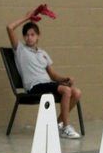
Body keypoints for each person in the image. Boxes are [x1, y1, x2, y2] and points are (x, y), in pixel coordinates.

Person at [6, 8, 82, 138]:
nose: (29, 38)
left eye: (32, 35)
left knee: (77, 92)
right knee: (66, 91)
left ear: (38, 36)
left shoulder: (43, 53)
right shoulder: (20, 49)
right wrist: (27, 17)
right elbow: (9, 27)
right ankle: (65, 127)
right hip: (34, 87)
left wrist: (65, 79)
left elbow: (53, 76)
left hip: (47, 83)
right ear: (23, 37)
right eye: (27, 35)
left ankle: (56, 124)